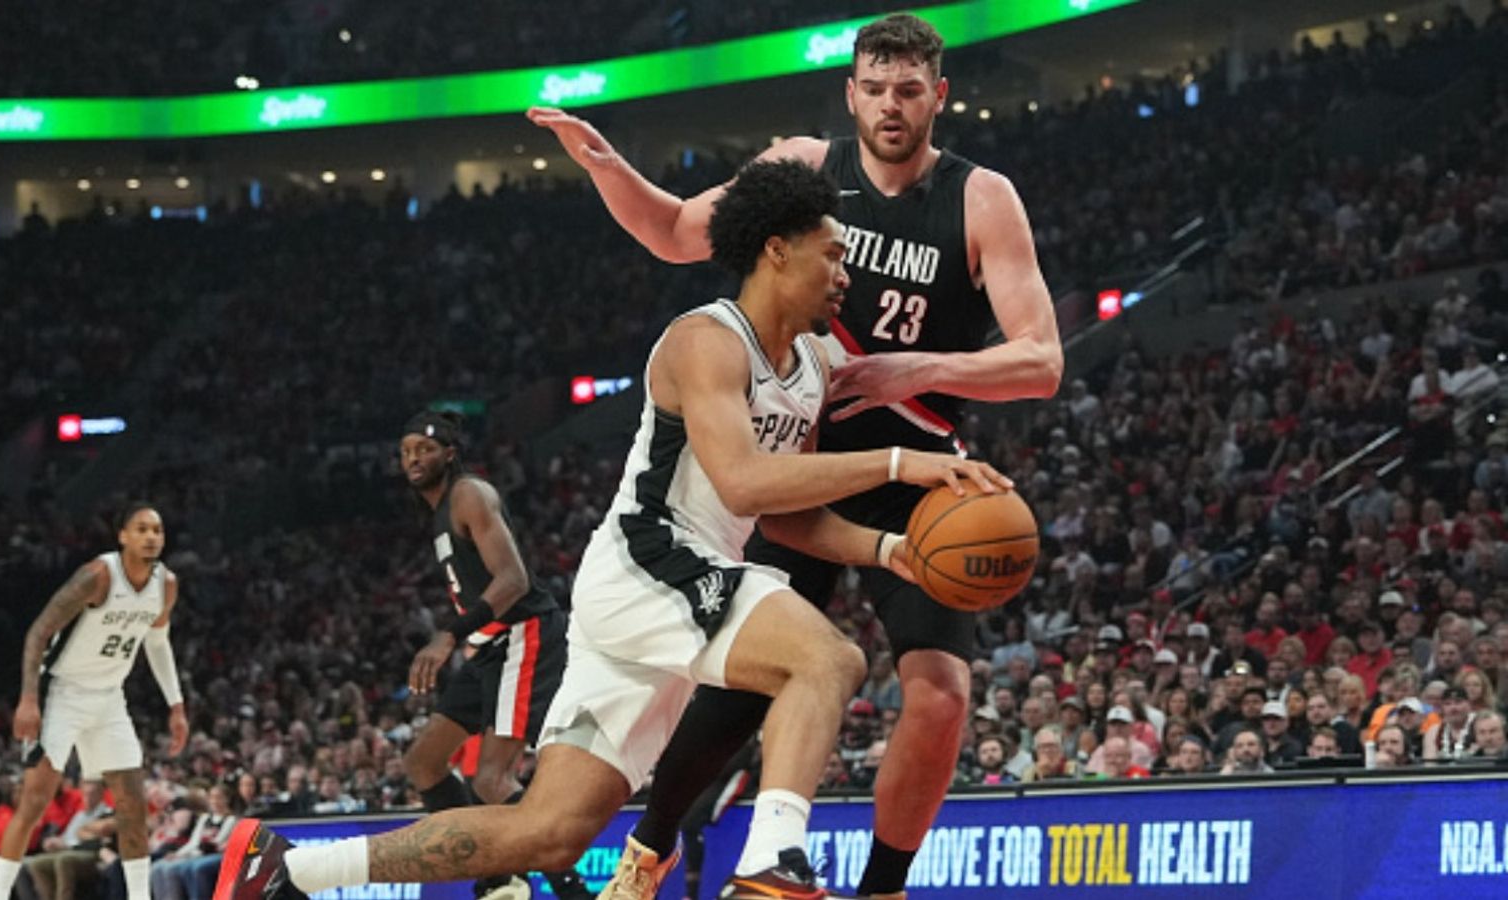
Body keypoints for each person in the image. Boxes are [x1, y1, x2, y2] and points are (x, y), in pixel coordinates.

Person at [214, 161, 1006, 900]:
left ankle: (289, 870)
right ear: (776, 249)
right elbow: (741, 479)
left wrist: (889, 549)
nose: (846, 275)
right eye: (834, 256)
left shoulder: (814, 362)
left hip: (663, 587)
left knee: (550, 833)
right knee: (828, 659)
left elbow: (783, 512)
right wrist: (903, 463)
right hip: (652, 561)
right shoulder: (707, 339)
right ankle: (773, 864)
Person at [528, 13, 1062, 897]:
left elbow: (1041, 362)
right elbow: (671, 233)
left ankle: (883, 887)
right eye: (876, 88)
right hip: (794, 467)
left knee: (940, 694)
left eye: (910, 90)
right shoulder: (805, 168)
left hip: (917, 473)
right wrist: (604, 163)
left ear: (940, 95)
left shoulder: (981, 198)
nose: (892, 106)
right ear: (851, 92)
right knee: (741, 691)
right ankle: (647, 853)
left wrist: (909, 370)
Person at [395, 408, 589, 900]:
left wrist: (447, 636)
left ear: (451, 454)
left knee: (492, 779)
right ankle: (499, 871)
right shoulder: (438, 510)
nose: (414, 458)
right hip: (488, 648)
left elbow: (514, 580)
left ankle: (573, 891)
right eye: (407, 451)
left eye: (425, 449)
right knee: (423, 762)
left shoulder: (469, 493)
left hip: (523, 633)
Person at [0, 505, 188, 900]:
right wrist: (29, 698)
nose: (152, 537)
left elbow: (158, 643)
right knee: (35, 801)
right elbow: (38, 632)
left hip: (110, 697)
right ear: (123, 536)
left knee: (132, 805)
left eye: (158, 530)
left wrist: (176, 706)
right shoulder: (96, 577)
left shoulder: (166, 585)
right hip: (62, 691)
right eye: (142, 529)